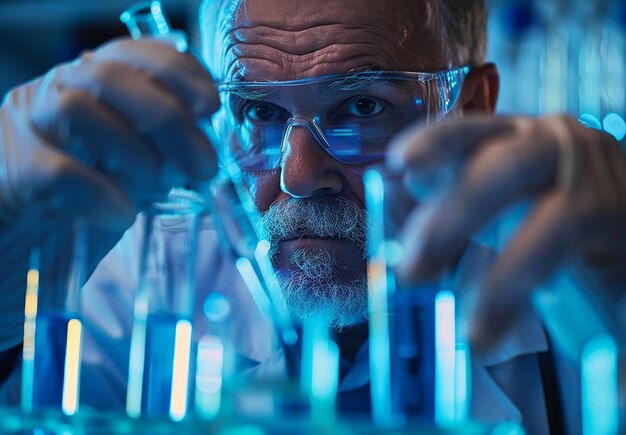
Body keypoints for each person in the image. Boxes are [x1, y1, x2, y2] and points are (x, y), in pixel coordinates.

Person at [1, 0, 624, 432]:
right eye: (258, 112)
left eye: (360, 107)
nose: (298, 177)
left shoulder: (570, 280)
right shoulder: (150, 274)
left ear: (472, 106)